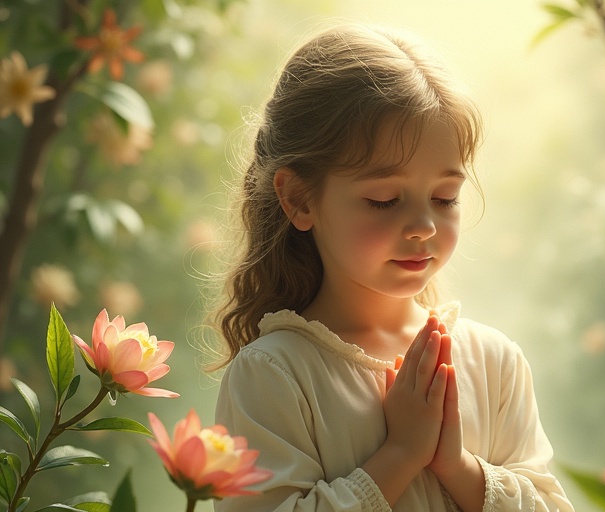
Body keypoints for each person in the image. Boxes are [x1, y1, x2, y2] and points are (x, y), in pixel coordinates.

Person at [212, 23, 574, 512]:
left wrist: (458, 466)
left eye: (445, 197)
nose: (424, 225)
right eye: (384, 200)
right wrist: (401, 454)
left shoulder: (494, 362)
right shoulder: (273, 374)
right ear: (299, 199)